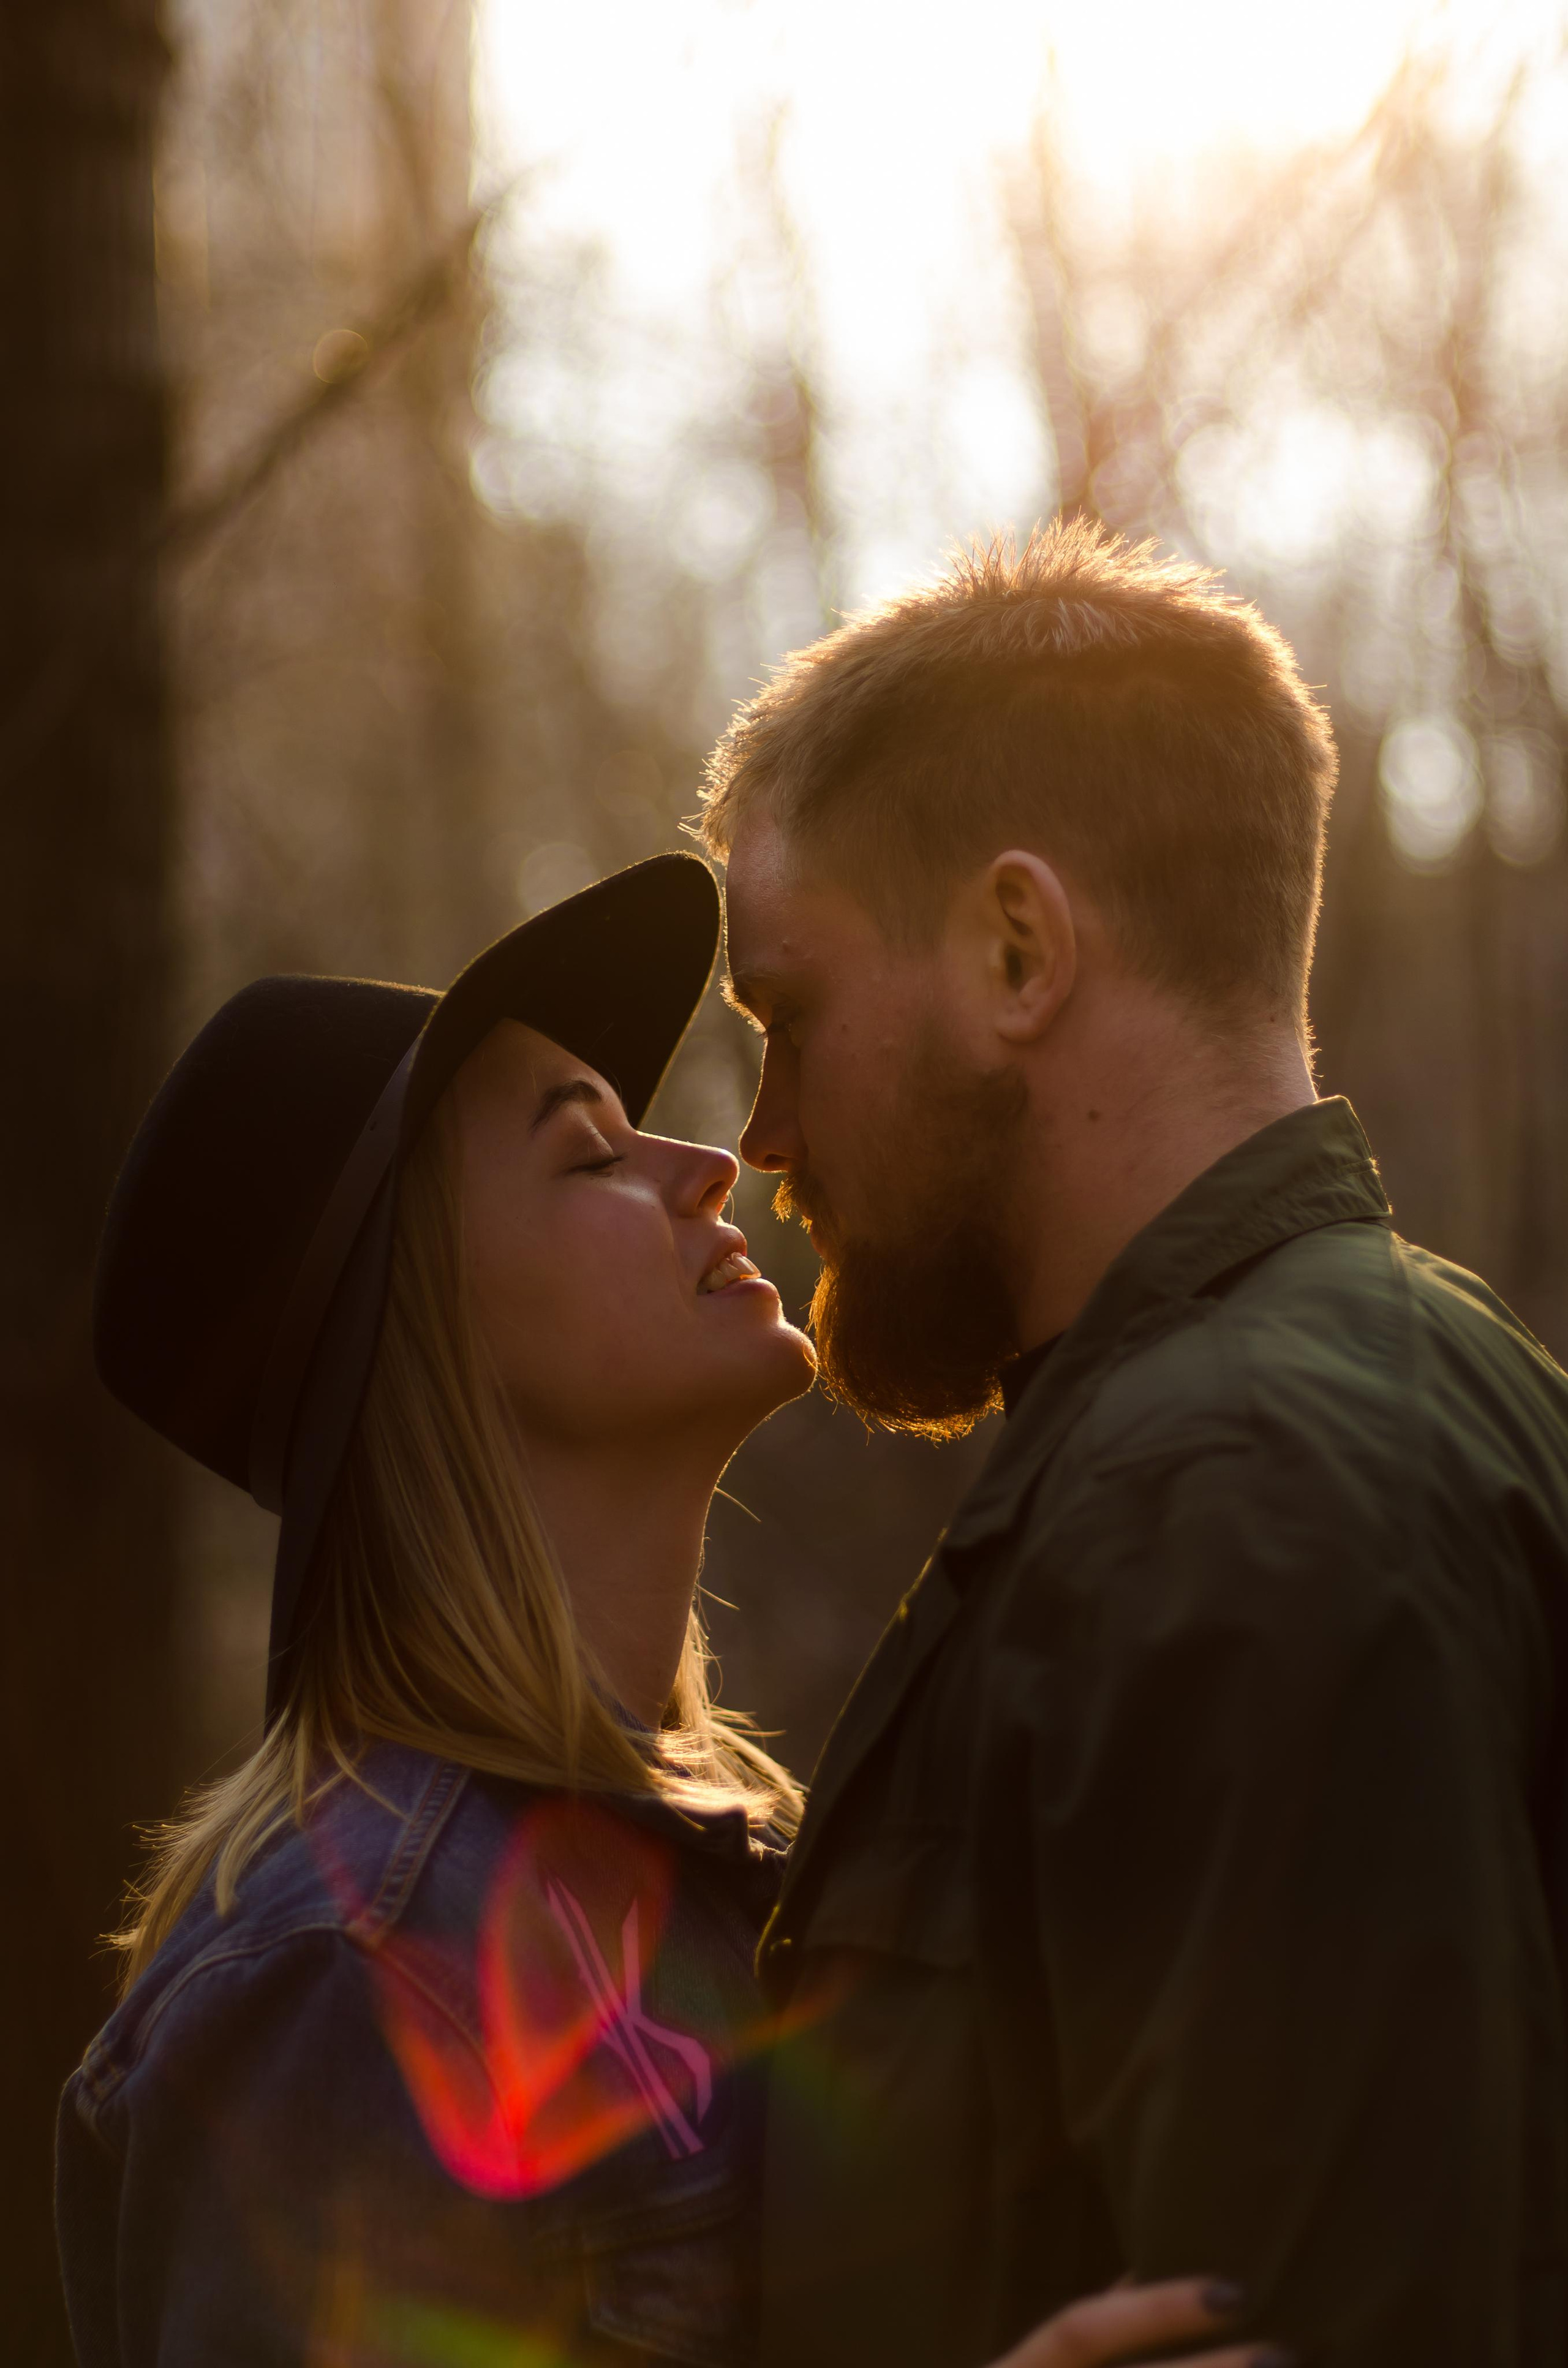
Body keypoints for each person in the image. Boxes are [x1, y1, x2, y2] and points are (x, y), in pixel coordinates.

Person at [58, 853, 1270, 2368]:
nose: (706, 1161)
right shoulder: (345, 1978)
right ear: (424, 1337)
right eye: (588, 1157)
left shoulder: (741, 1867)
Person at [704, 523, 1568, 2368]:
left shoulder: (1229, 1490)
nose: (762, 1133)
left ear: (1018, 948)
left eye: (787, 1013)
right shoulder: (1391, 1387)